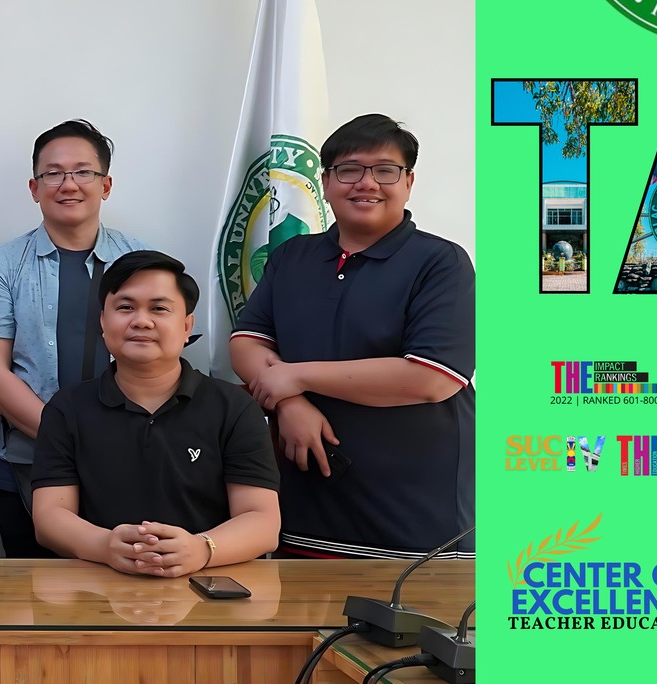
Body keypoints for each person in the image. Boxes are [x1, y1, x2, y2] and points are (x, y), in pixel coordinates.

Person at [228, 114, 475, 560]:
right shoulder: (293, 256)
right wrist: (289, 402)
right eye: (349, 170)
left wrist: (296, 378)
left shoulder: (440, 263)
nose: (367, 183)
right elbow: (246, 343)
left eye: (385, 170)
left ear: (409, 181)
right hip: (304, 511)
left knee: (413, 628)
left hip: (415, 523)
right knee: (302, 627)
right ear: (325, 181)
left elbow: (431, 378)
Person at [31, 251, 280, 576]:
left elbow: (262, 521)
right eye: (125, 307)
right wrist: (106, 546)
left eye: (159, 308)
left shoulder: (233, 407)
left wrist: (201, 549)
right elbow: (50, 517)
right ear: (103, 322)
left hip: (210, 585)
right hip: (98, 589)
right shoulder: (67, 409)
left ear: (187, 325)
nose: (141, 321)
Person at [0, 120, 146, 559]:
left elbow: (157, 359)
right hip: (28, 462)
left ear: (106, 185)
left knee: (126, 602)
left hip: (127, 462)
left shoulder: (140, 262)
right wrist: (69, 441)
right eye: (54, 173)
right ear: (34, 186)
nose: (68, 184)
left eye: (83, 172)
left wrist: (105, 446)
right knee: (34, 607)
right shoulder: (3, 265)